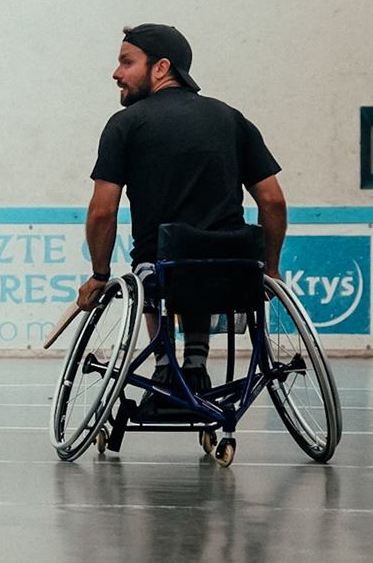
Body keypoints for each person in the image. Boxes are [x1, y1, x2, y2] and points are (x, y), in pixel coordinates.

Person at [75, 24, 287, 405]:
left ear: (161, 67)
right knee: (197, 267)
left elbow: (103, 211)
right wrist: (269, 270)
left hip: (163, 271)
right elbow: (272, 202)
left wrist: (99, 274)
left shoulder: (125, 124)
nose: (116, 73)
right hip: (235, 270)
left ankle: (164, 367)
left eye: (127, 62)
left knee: (160, 272)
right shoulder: (232, 119)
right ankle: (195, 364)